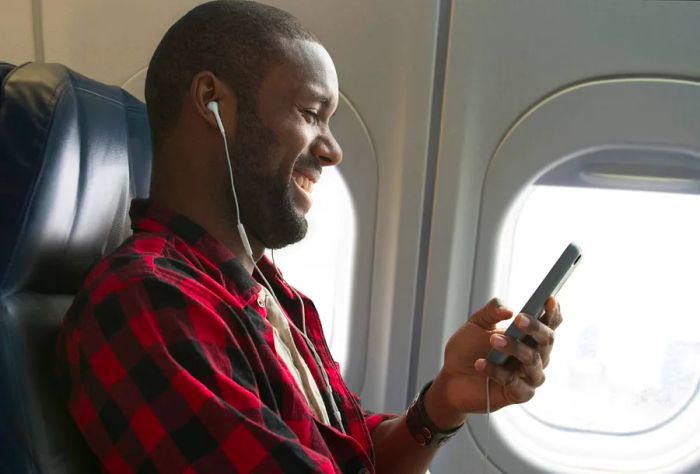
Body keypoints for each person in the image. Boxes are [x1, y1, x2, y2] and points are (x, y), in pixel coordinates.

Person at [57, 1, 562, 472]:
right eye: (310, 113)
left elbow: (352, 459)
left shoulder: (268, 294)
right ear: (212, 101)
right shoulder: (146, 301)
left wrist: (448, 398)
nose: (332, 151)